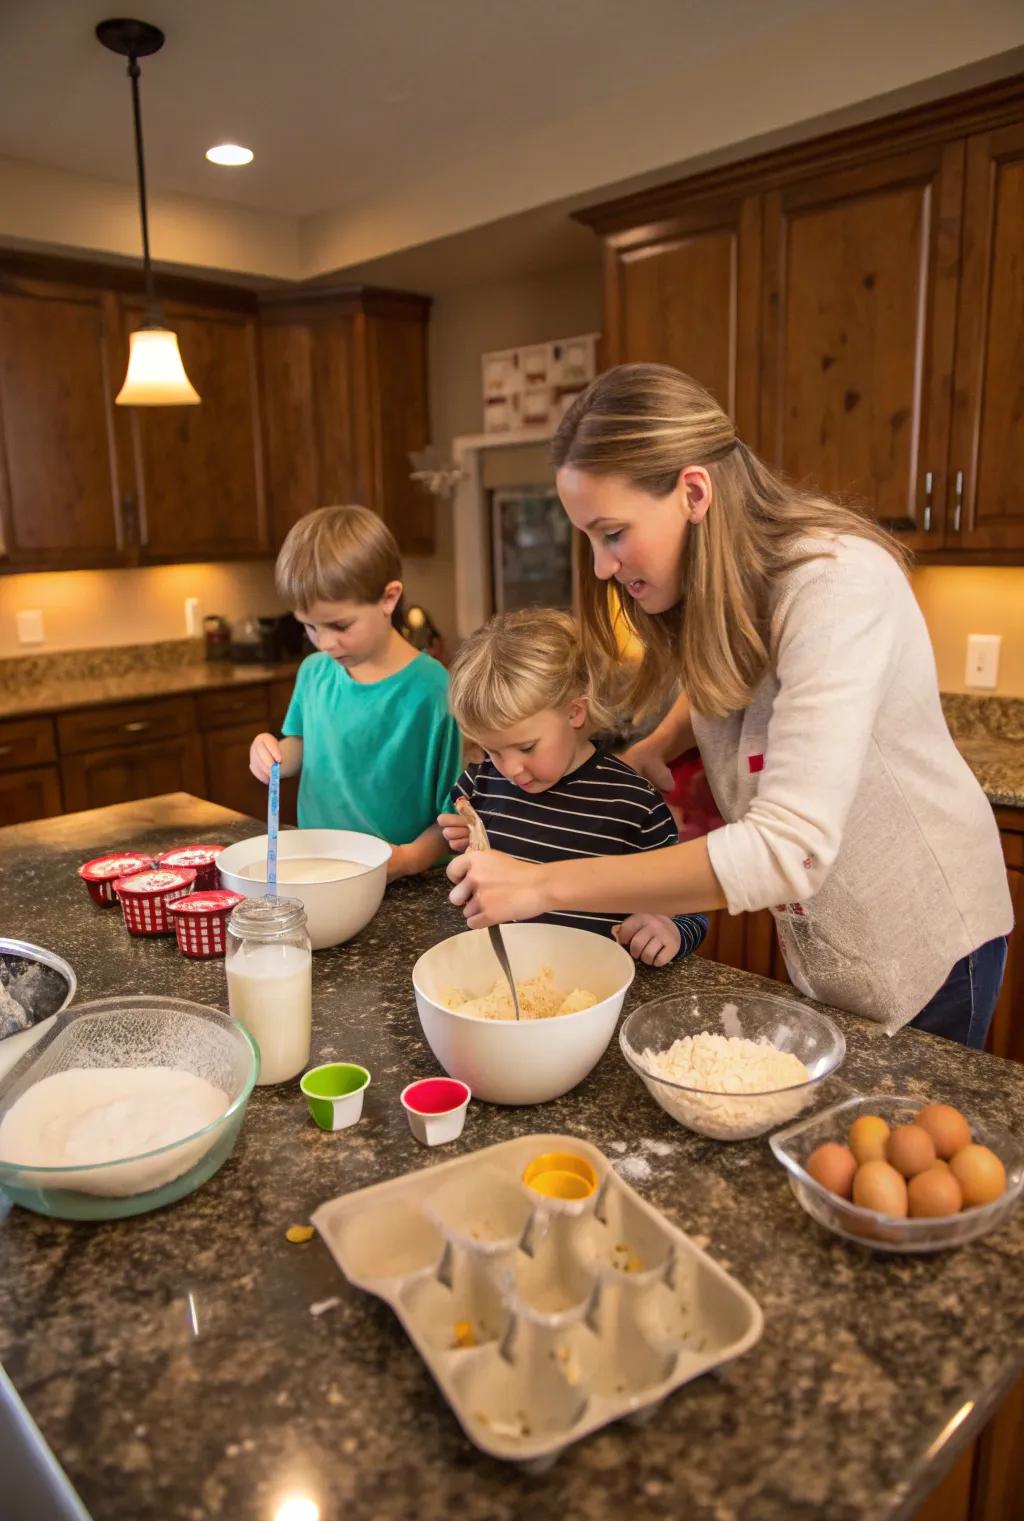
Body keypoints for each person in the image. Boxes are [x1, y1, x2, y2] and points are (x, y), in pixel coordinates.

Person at [446, 365, 1013, 1046]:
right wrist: (662, 742)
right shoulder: (715, 586)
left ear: (693, 491)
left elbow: (784, 850)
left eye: (613, 532)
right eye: (589, 539)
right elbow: (733, 680)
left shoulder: (838, 586)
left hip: (926, 938)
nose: (601, 565)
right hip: (831, 938)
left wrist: (542, 887)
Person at [437, 608, 707, 967]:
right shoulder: (482, 781)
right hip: (505, 977)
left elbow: (691, 906)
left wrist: (670, 930)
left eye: (527, 747)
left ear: (574, 713)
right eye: (492, 750)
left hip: (597, 985)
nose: (511, 769)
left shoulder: (633, 804)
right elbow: (468, 847)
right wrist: (464, 841)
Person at [249, 505, 460, 881]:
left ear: (388, 598)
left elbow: (458, 810)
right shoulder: (313, 673)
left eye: (339, 624)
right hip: (323, 870)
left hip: (407, 880)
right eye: (309, 628)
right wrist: (272, 755)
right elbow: (300, 745)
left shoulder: (436, 690)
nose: (325, 643)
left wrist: (410, 859)